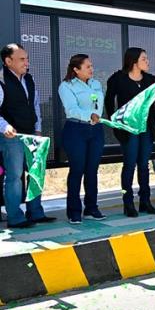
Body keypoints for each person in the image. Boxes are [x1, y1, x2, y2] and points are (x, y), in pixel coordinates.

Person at [0, 43, 55, 228]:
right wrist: (5, 126)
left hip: (31, 134)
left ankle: (36, 213)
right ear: (8, 61)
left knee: (35, 173)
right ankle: (15, 218)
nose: (27, 62)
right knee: (14, 176)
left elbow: (35, 105)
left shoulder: (29, 79)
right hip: (12, 137)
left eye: (27, 58)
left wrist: (38, 128)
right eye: (22, 59)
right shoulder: (1, 80)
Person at [105, 47, 155, 217]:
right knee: (129, 165)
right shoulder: (118, 79)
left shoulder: (151, 80)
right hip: (128, 130)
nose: (147, 61)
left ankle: (145, 201)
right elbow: (108, 101)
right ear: (134, 61)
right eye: (144, 58)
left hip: (146, 129)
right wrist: (116, 125)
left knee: (144, 165)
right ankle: (127, 203)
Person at [58, 54, 105, 224]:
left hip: (96, 130)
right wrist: (89, 115)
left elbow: (98, 106)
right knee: (77, 170)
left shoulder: (96, 84)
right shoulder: (66, 86)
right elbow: (71, 109)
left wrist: (95, 116)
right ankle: (74, 211)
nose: (91, 69)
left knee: (92, 170)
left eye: (91, 66)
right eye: (87, 66)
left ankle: (91, 208)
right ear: (76, 70)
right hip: (76, 129)